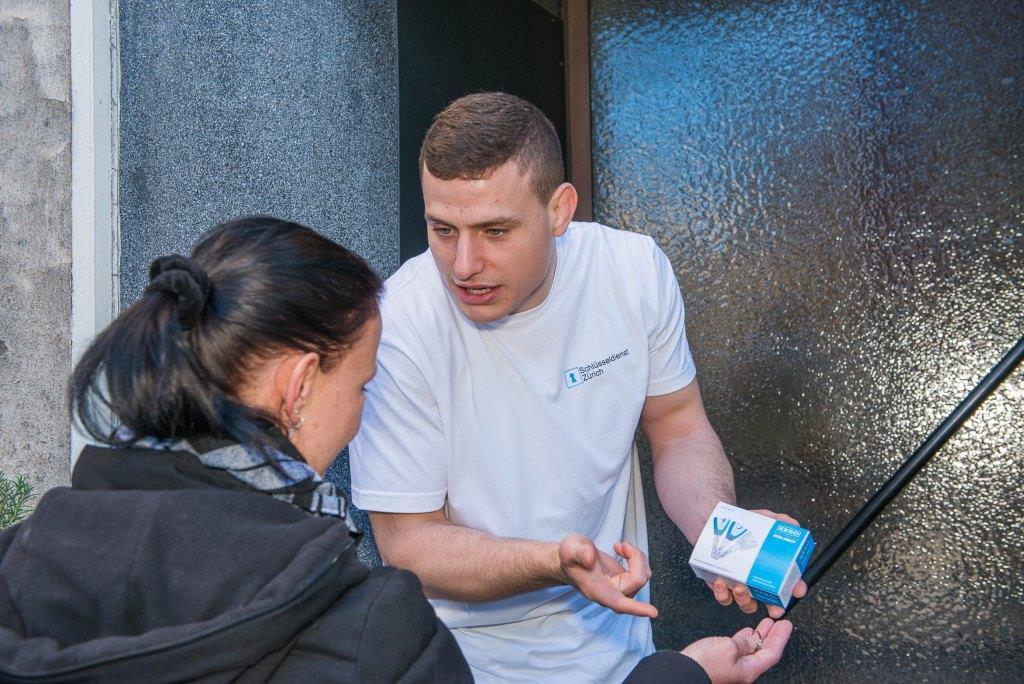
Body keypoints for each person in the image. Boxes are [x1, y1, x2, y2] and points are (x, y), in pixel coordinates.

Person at [0, 216, 791, 683]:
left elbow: (679, 427)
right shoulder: (369, 635)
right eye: (364, 382)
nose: (465, 261)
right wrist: (684, 674)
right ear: (298, 386)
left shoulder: (22, 563)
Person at [349, 92, 807, 681]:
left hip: (621, 647)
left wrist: (722, 535)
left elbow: (676, 425)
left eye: (494, 230)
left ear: (560, 210)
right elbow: (408, 544)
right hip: (459, 661)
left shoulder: (632, 271)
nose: (463, 264)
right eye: (443, 230)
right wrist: (555, 562)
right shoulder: (400, 325)